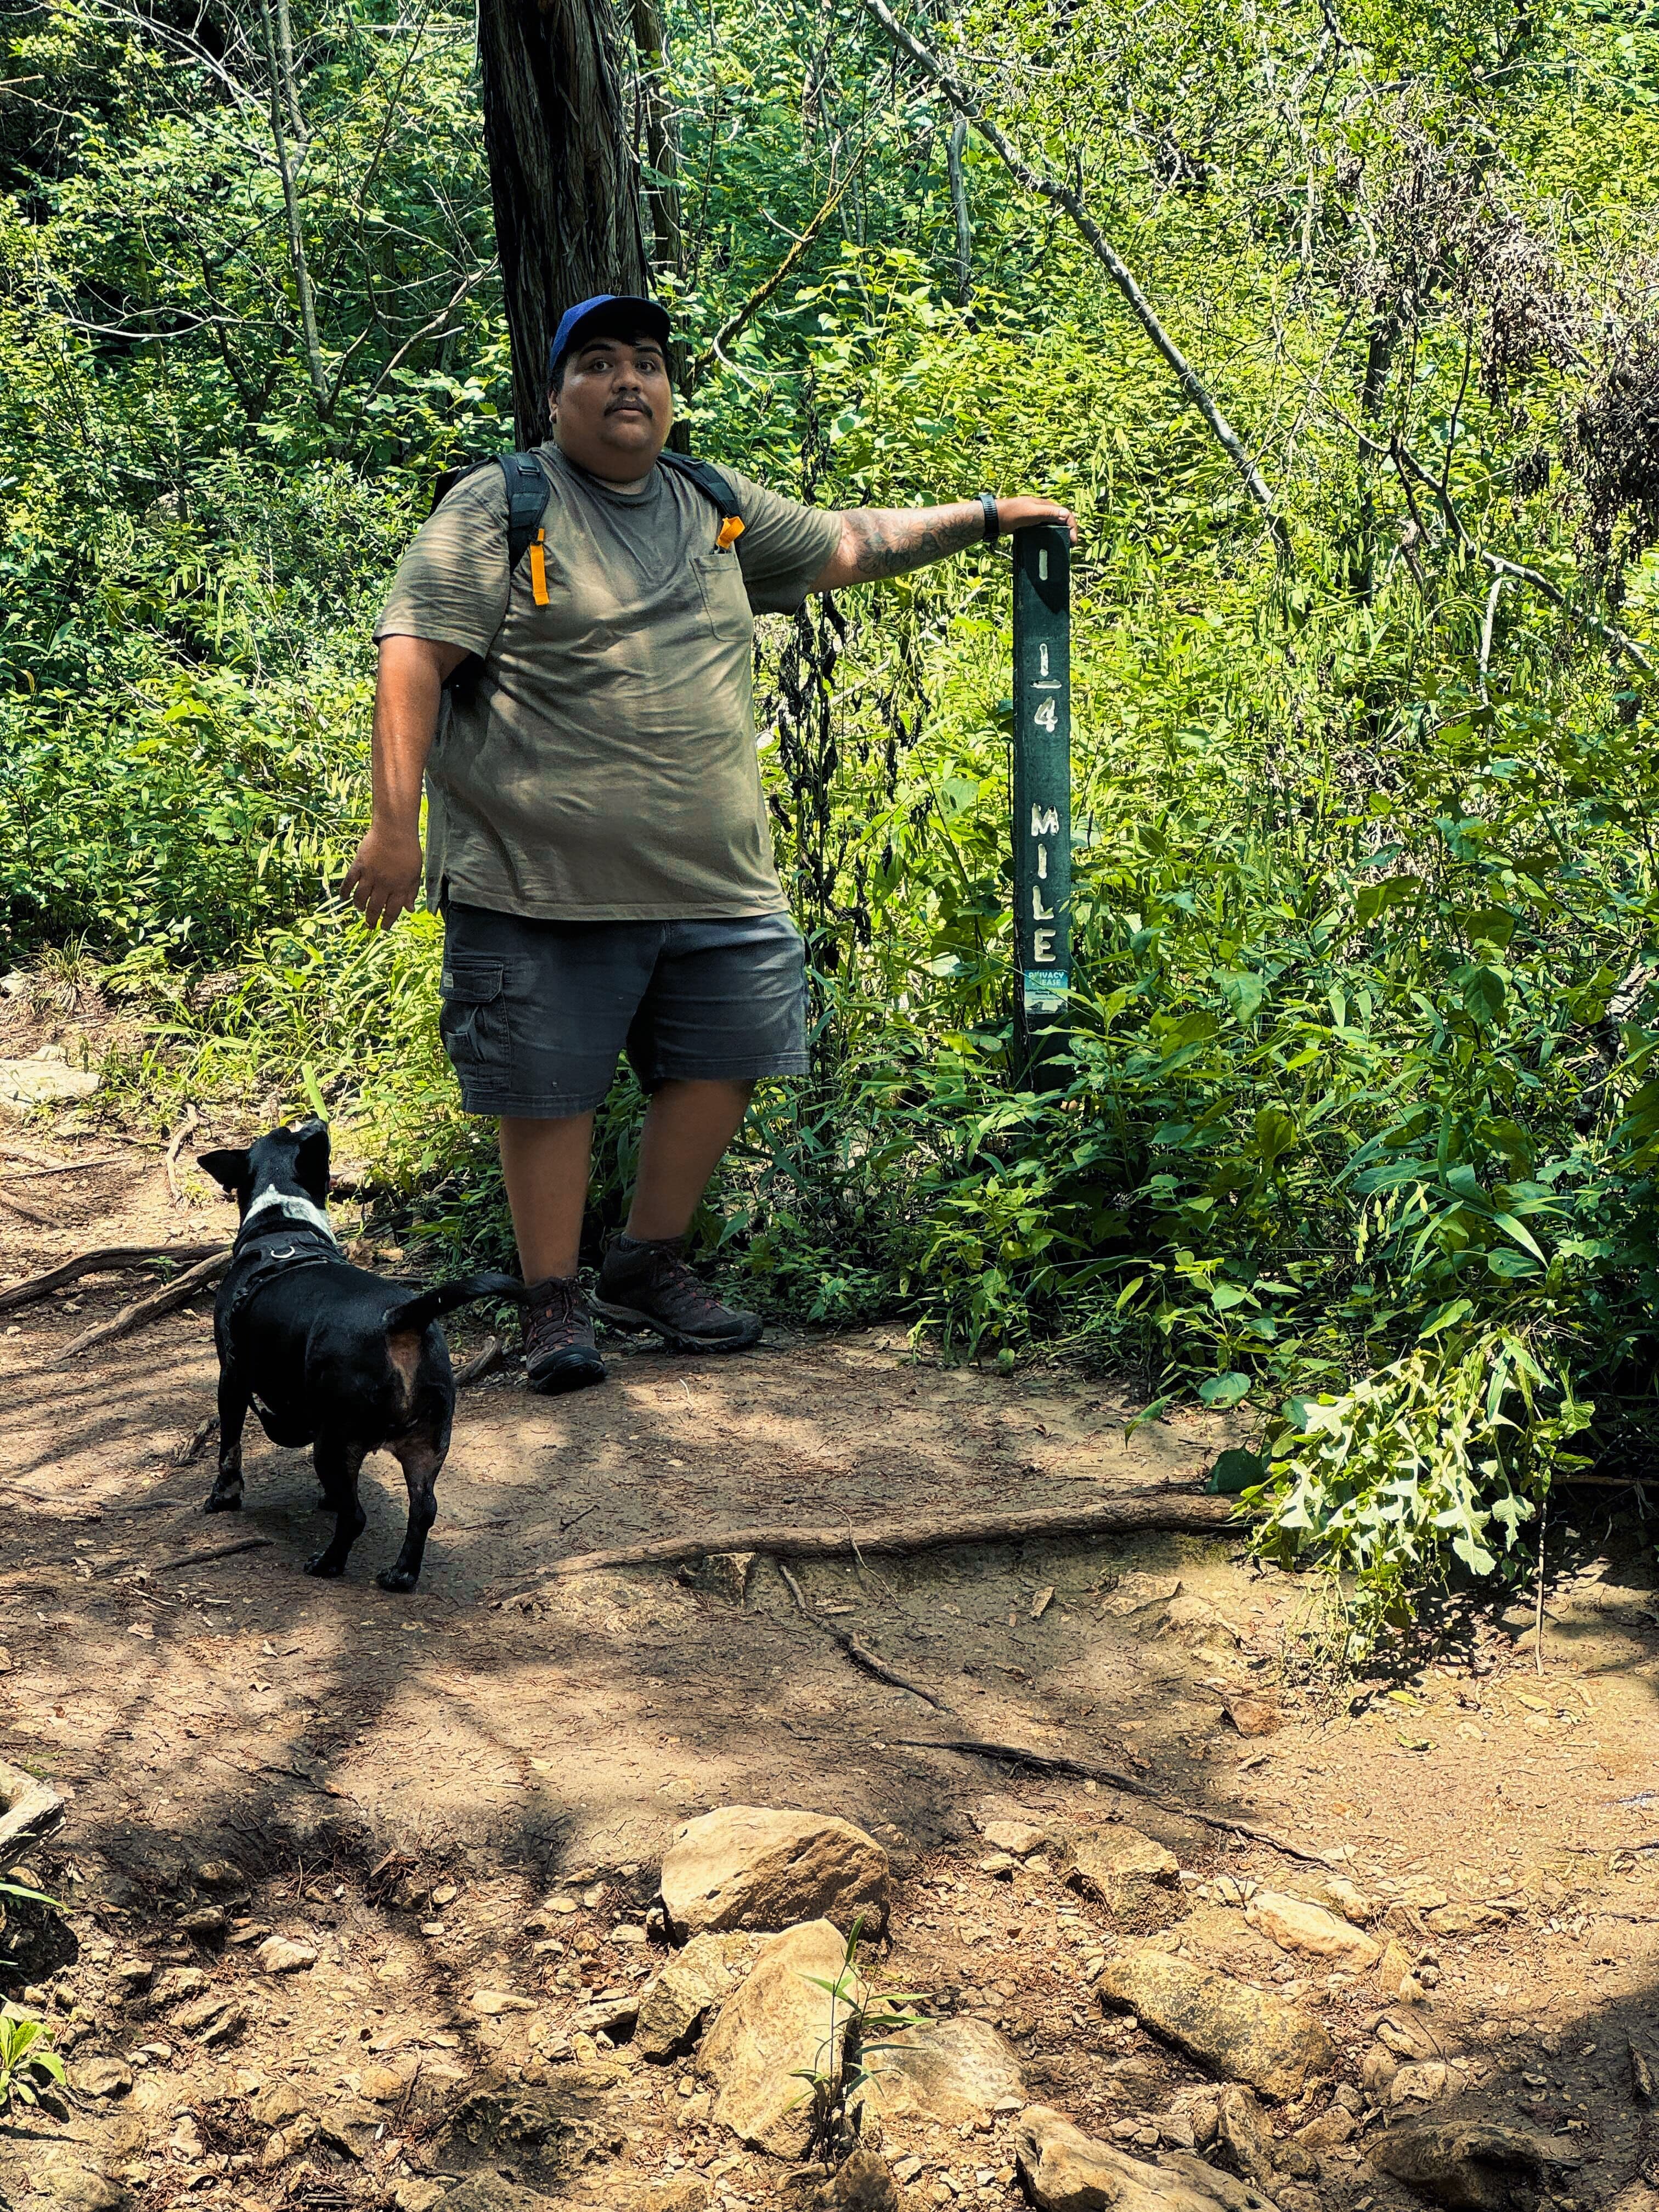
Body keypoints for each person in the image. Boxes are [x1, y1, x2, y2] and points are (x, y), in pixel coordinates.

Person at [345, 291, 1076, 1396]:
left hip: (716, 882)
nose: (627, 379)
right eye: (597, 363)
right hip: (538, 880)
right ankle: (552, 1304)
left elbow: (849, 543)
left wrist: (986, 515)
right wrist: (391, 830)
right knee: (548, 1093)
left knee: (730, 1058)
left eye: (647, 361)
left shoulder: (711, 504)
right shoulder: (501, 506)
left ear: (671, 394)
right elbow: (411, 657)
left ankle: (644, 1262)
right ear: (557, 394)